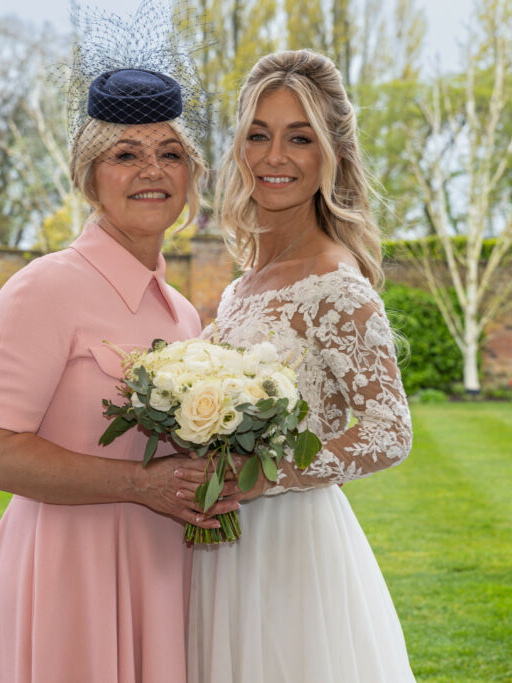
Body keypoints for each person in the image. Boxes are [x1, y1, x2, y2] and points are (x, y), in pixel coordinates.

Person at [0, 64, 237, 682]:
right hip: (69, 572)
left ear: (192, 176)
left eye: (171, 153)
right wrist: (142, 486)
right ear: (89, 177)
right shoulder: (43, 288)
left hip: (162, 570)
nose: (152, 170)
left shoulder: (184, 312)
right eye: (125, 153)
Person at [180, 50, 417, 682]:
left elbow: (388, 432)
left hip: (292, 549)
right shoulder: (243, 286)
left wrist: (265, 478)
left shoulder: (336, 284)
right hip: (223, 551)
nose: (274, 157)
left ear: (331, 152)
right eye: (258, 135)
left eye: (299, 137)